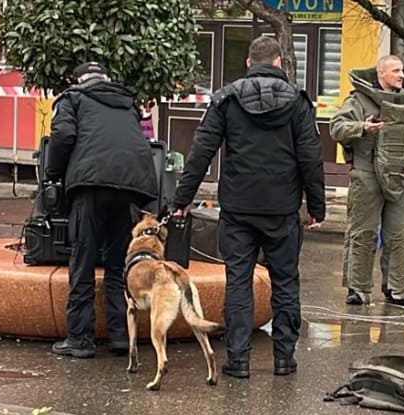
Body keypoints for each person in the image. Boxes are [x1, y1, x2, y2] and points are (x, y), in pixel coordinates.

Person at [172, 36, 325, 378]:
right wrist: (317, 206)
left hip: (238, 209)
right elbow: (311, 158)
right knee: (285, 282)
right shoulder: (298, 102)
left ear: (248, 63)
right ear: (279, 63)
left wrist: (182, 200)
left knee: (238, 281)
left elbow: (201, 151)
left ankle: (237, 360)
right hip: (283, 209)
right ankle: (284, 359)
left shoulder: (226, 99)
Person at [46, 62, 159, 357]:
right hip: (131, 186)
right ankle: (121, 336)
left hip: (91, 184)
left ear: (80, 79)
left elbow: (63, 137)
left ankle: (80, 340)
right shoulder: (127, 104)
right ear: (106, 80)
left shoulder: (72, 98)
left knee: (82, 261)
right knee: (117, 263)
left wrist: (53, 175)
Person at [329, 55, 404, 308]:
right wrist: (361, 128)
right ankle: (358, 289)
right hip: (366, 176)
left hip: (400, 177)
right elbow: (336, 127)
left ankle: (397, 289)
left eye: (402, 71)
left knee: (401, 234)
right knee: (363, 232)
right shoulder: (359, 101)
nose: (401, 75)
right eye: (396, 71)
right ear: (381, 74)